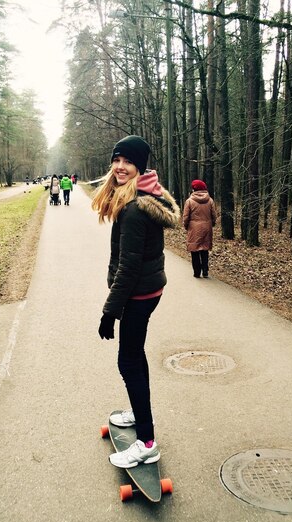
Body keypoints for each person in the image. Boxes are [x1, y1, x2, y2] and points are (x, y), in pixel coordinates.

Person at [92, 135, 180, 469]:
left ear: (139, 167)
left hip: (137, 294)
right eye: (116, 160)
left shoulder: (133, 209)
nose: (120, 167)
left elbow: (127, 268)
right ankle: (137, 409)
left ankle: (146, 443)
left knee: (128, 362)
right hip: (148, 289)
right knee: (135, 357)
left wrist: (109, 312)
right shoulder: (143, 196)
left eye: (127, 162)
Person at [183, 179, 217, 278]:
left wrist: (186, 226)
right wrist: (212, 224)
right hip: (207, 227)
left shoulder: (189, 201)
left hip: (194, 228)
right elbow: (214, 215)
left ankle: (197, 272)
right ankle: (205, 271)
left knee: (194, 250)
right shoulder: (210, 200)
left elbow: (185, 217)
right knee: (204, 249)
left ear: (194, 189)